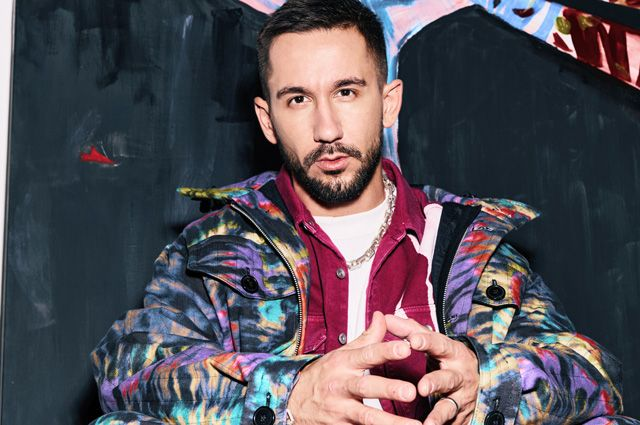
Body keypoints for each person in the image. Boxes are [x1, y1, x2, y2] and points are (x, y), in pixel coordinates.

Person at [91, 1, 637, 424]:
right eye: (298, 99)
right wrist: (289, 393)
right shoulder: (216, 245)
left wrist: (487, 383)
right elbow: (129, 369)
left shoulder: (470, 241)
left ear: (388, 102)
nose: (327, 129)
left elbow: (594, 376)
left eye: (347, 92)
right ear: (267, 119)